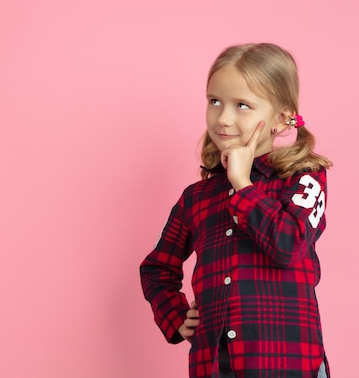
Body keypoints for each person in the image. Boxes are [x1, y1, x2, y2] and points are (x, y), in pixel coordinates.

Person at [140, 43, 333, 378]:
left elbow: (288, 246)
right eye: (215, 101)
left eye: (242, 105)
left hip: (289, 367)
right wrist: (175, 316)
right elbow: (156, 268)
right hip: (216, 368)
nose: (224, 118)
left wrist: (243, 185)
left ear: (282, 118)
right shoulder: (196, 198)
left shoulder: (304, 180)